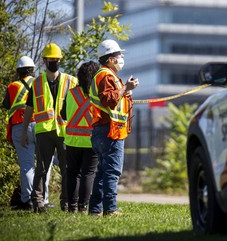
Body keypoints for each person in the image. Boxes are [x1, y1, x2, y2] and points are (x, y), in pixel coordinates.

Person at [21, 43, 78, 213]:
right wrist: (24, 132)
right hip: (44, 132)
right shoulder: (37, 83)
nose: (54, 61)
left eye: (57, 59)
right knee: (42, 169)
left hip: (64, 131)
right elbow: (29, 109)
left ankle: (66, 203)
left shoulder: (71, 81)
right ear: (44, 60)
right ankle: (38, 203)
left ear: (60, 60)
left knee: (67, 169)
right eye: (51, 59)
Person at [88, 39, 139, 216]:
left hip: (104, 130)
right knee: (112, 172)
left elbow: (114, 100)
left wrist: (127, 90)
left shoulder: (107, 75)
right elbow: (109, 100)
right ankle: (110, 209)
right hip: (109, 131)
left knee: (102, 172)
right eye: (118, 55)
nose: (121, 57)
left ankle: (95, 210)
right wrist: (126, 87)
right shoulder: (105, 75)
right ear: (110, 59)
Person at [2, 56, 54, 210]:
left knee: (27, 166)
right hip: (40, 125)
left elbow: (6, 105)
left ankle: (28, 200)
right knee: (45, 164)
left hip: (20, 127)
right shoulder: (41, 82)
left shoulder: (12, 86)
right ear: (33, 70)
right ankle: (42, 200)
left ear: (18, 72)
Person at [61, 61, 100, 213]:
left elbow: (63, 115)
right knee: (88, 174)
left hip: (72, 140)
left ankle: (72, 206)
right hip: (91, 140)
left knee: (72, 173)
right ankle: (83, 206)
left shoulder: (70, 93)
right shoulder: (97, 94)